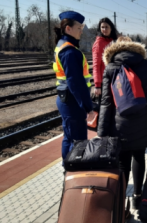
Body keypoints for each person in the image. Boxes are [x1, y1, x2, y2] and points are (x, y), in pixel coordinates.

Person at [97, 36, 147, 210]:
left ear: (115, 48)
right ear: (134, 47)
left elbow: (106, 102)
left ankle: (122, 201)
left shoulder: (110, 67)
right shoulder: (144, 64)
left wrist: (101, 132)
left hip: (119, 122)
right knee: (139, 157)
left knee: (123, 161)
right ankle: (138, 198)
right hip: (143, 118)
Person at [53, 11, 95, 163]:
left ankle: (68, 170)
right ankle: (74, 173)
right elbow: (76, 83)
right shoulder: (70, 52)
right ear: (68, 29)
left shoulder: (62, 46)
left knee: (69, 138)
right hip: (73, 102)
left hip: (67, 100)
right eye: (79, 27)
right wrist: (88, 107)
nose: (81, 30)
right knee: (78, 142)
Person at [92, 17, 119, 97]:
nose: (104, 29)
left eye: (106, 27)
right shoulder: (98, 43)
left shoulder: (115, 41)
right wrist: (97, 85)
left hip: (116, 79)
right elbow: (96, 66)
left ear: (111, 28)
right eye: (102, 27)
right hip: (106, 81)